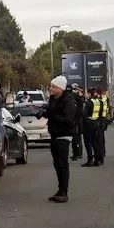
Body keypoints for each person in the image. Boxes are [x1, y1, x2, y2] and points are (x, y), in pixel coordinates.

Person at [42, 73, 78, 202]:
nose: (50, 89)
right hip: (54, 134)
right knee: (57, 163)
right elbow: (51, 111)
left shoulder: (69, 100)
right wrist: (42, 114)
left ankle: (64, 192)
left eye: (53, 86)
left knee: (62, 163)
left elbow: (69, 120)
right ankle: (60, 189)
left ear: (60, 88)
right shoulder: (53, 99)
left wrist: (53, 116)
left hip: (64, 135)